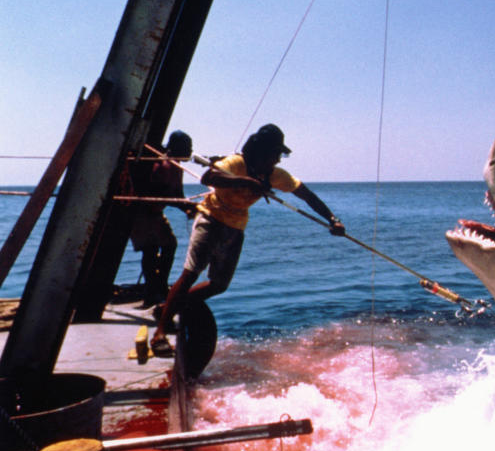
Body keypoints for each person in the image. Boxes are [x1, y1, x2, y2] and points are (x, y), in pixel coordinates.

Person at [149, 123, 345, 357]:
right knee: (191, 273)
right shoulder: (235, 163)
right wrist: (245, 182)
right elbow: (208, 176)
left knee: (219, 285)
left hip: (235, 225)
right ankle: (160, 333)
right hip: (211, 218)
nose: (279, 160)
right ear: (261, 151)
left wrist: (332, 219)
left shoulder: (275, 176)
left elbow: (306, 195)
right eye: (275, 154)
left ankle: (166, 307)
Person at [129, 130, 194, 308]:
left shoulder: (177, 166)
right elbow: (161, 194)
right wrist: (185, 205)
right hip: (143, 212)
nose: (190, 150)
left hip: (155, 213)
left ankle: (160, 286)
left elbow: (177, 195)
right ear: (176, 147)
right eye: (188, 147)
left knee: (170, 245)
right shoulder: (162, 165)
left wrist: (189, 207)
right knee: (150, 250)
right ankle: (152, 293)